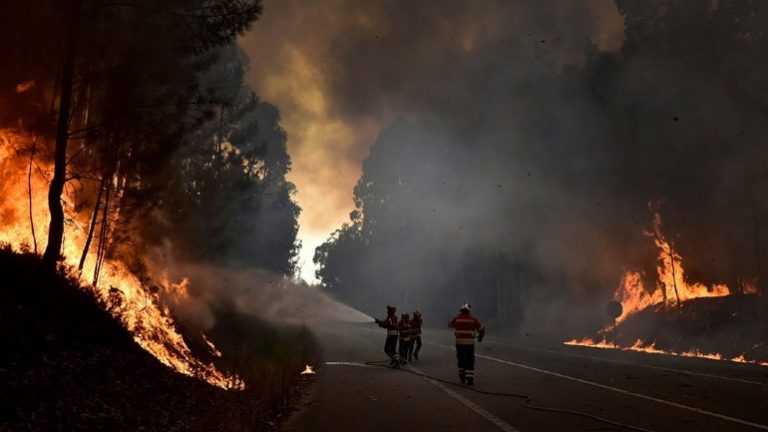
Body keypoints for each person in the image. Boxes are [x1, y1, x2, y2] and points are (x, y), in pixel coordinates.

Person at [448, 303, 485, 385]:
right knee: (470, 360)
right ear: (469, 311)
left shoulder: (457, 319)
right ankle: (470, 379)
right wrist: (480, 338)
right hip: (470, 344)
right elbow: (482, 329)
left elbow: (449, 324)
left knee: (461, 360)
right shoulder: (473, 319)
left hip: (459, 343)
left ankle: (462, 377)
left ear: (461, 311)